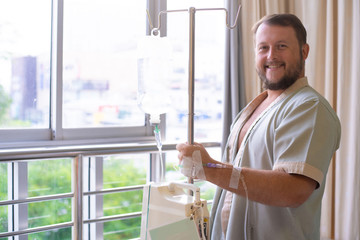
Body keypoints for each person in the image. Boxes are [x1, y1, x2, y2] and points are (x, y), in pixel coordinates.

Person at [176, 13, 341, 240]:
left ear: (304, 52)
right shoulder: (254, 108)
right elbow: (237, 186)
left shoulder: (310, 108)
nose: (271, 56)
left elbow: (292, 190)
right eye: (263, 47)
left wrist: (209, 168)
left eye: (281, 46)